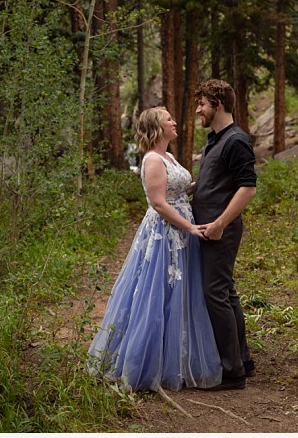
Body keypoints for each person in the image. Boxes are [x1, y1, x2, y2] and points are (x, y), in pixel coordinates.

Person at [88, 107, 222, 391]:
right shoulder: (151, 159)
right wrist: (188, 227)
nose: (175, 122)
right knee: (157, 292)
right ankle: (146, 363)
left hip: (183, 229)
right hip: (165, 233)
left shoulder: (169, 157)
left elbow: (178, 190)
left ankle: (180, 358)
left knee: (182, 293)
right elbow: (160, 203)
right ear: (157, 128)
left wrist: (209, 182)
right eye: (169, 120)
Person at [192, 79, 257, 391]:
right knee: (226, 292)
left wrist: (219, 224)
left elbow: (248, 188)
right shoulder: (215, 139)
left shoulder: (236, 141)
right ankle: (242, 360)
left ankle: (232, 373)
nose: (198, 109)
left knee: (214, 293)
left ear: (216, 104)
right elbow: (216, 181)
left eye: (202, 104)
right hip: (208, 230)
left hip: (221, 231)